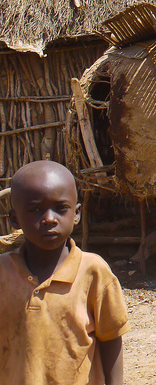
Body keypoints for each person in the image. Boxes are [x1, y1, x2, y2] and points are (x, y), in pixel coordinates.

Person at [0, 161, 129, 385]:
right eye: (34, 210)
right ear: (14, 219)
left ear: (76, 214)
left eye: (60, 208)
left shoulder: (93, 271)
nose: (49, 218)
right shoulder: (3, 273)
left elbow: (111, 337)